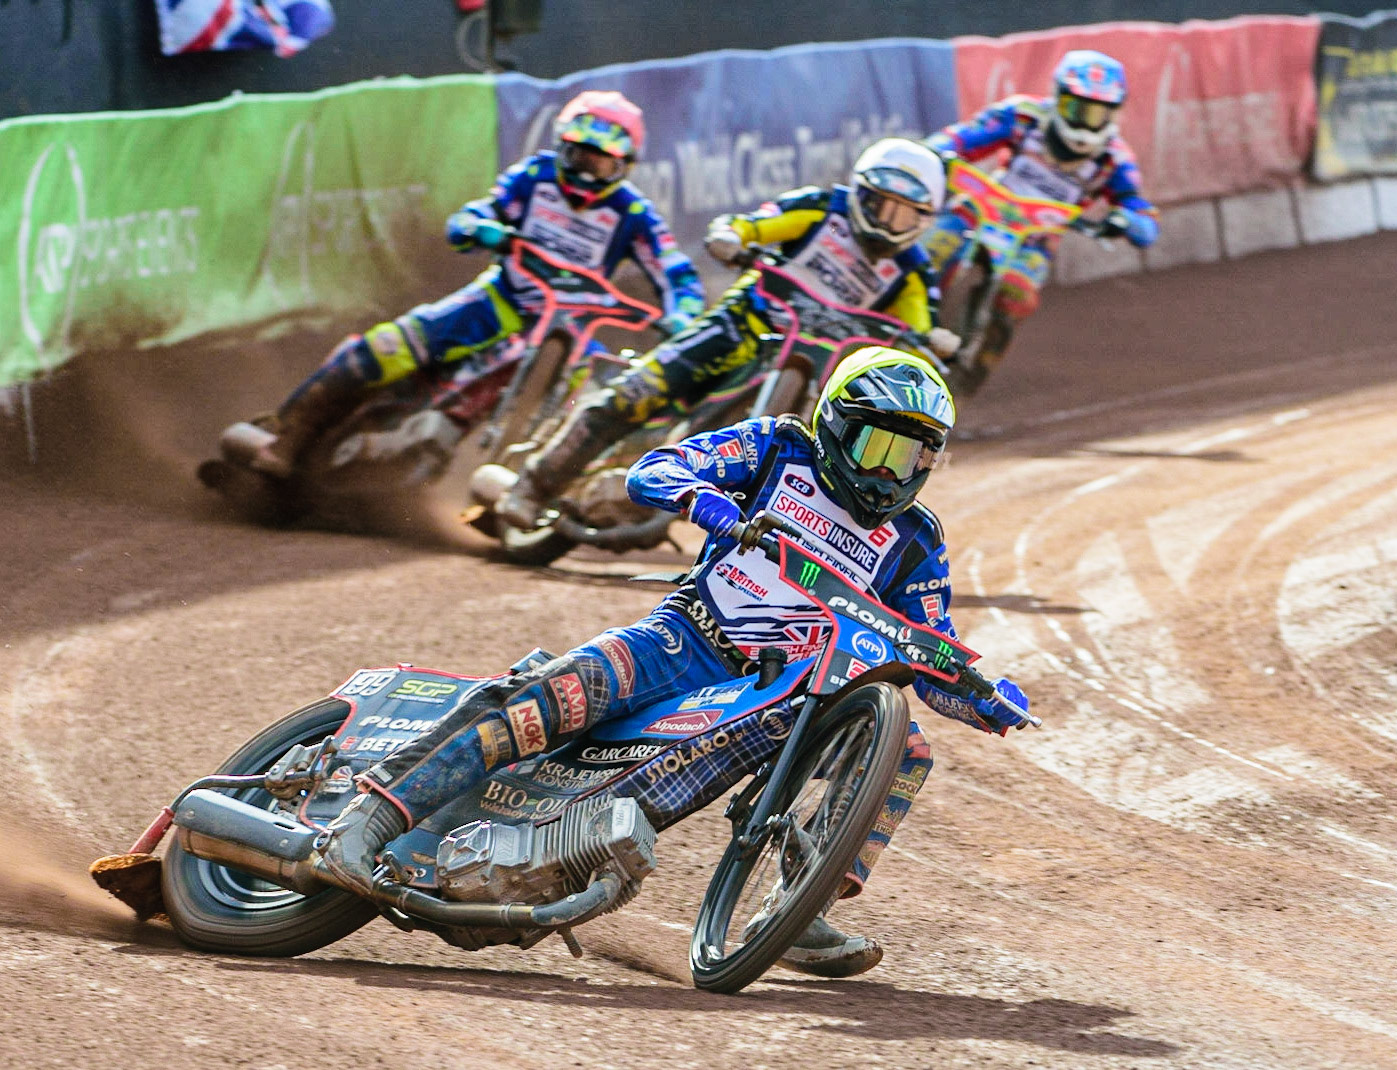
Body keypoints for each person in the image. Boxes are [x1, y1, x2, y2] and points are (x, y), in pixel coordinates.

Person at [323, 346, 1032, 977]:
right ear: (837, 426)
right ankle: (368, 819)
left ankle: (801, 901)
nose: (891, 472)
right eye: (879, 446)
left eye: (913, 457)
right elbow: (654, 469)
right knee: (555, 695)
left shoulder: (915, 539)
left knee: (905, 748)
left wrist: (980, 697)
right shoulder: (776, 448)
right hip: (684, 639)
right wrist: (709, 505)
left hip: (781, 692)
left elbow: (926, 644)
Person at [494, 137, 961, 531]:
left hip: (816, 363)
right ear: (860, 193)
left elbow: (919, 326)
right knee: (639, 391)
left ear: (922, 220)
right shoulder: (821, 209)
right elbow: (756, 224)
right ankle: (532, 485)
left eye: (903, 215)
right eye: (880, 205)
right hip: (739, 325)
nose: (886, 221)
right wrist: (732, 236)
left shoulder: (912, 271)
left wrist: (932, 340)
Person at [251, 90, 705, 478]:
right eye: (580, 155)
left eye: (602, 163)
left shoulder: (634, 213)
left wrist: (684, 311)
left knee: (589, 405)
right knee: (384, 348)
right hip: (499, 299)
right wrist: (479, 227)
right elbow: (477, 213)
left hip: (571, 329)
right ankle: (287, 435)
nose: (587, 172)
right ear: (562, 148)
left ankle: (521, 485)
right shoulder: (534, 177)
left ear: (624, 165)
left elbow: (674, 267)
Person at [921, 49, 1160, 392]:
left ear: (1115, 112)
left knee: (1017, 295)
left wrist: (1130, 222)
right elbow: (963, 137)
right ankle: (894, 316)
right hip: (982, 207)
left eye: (1097, 112)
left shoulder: (1114, 158)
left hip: (1036, 237)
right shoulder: (1023, 115)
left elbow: (1137, 206)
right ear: (1058, 98)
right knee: (933, 248)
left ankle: (974, 371)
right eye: (1076, 108)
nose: (1084, 121)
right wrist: (936, 152)